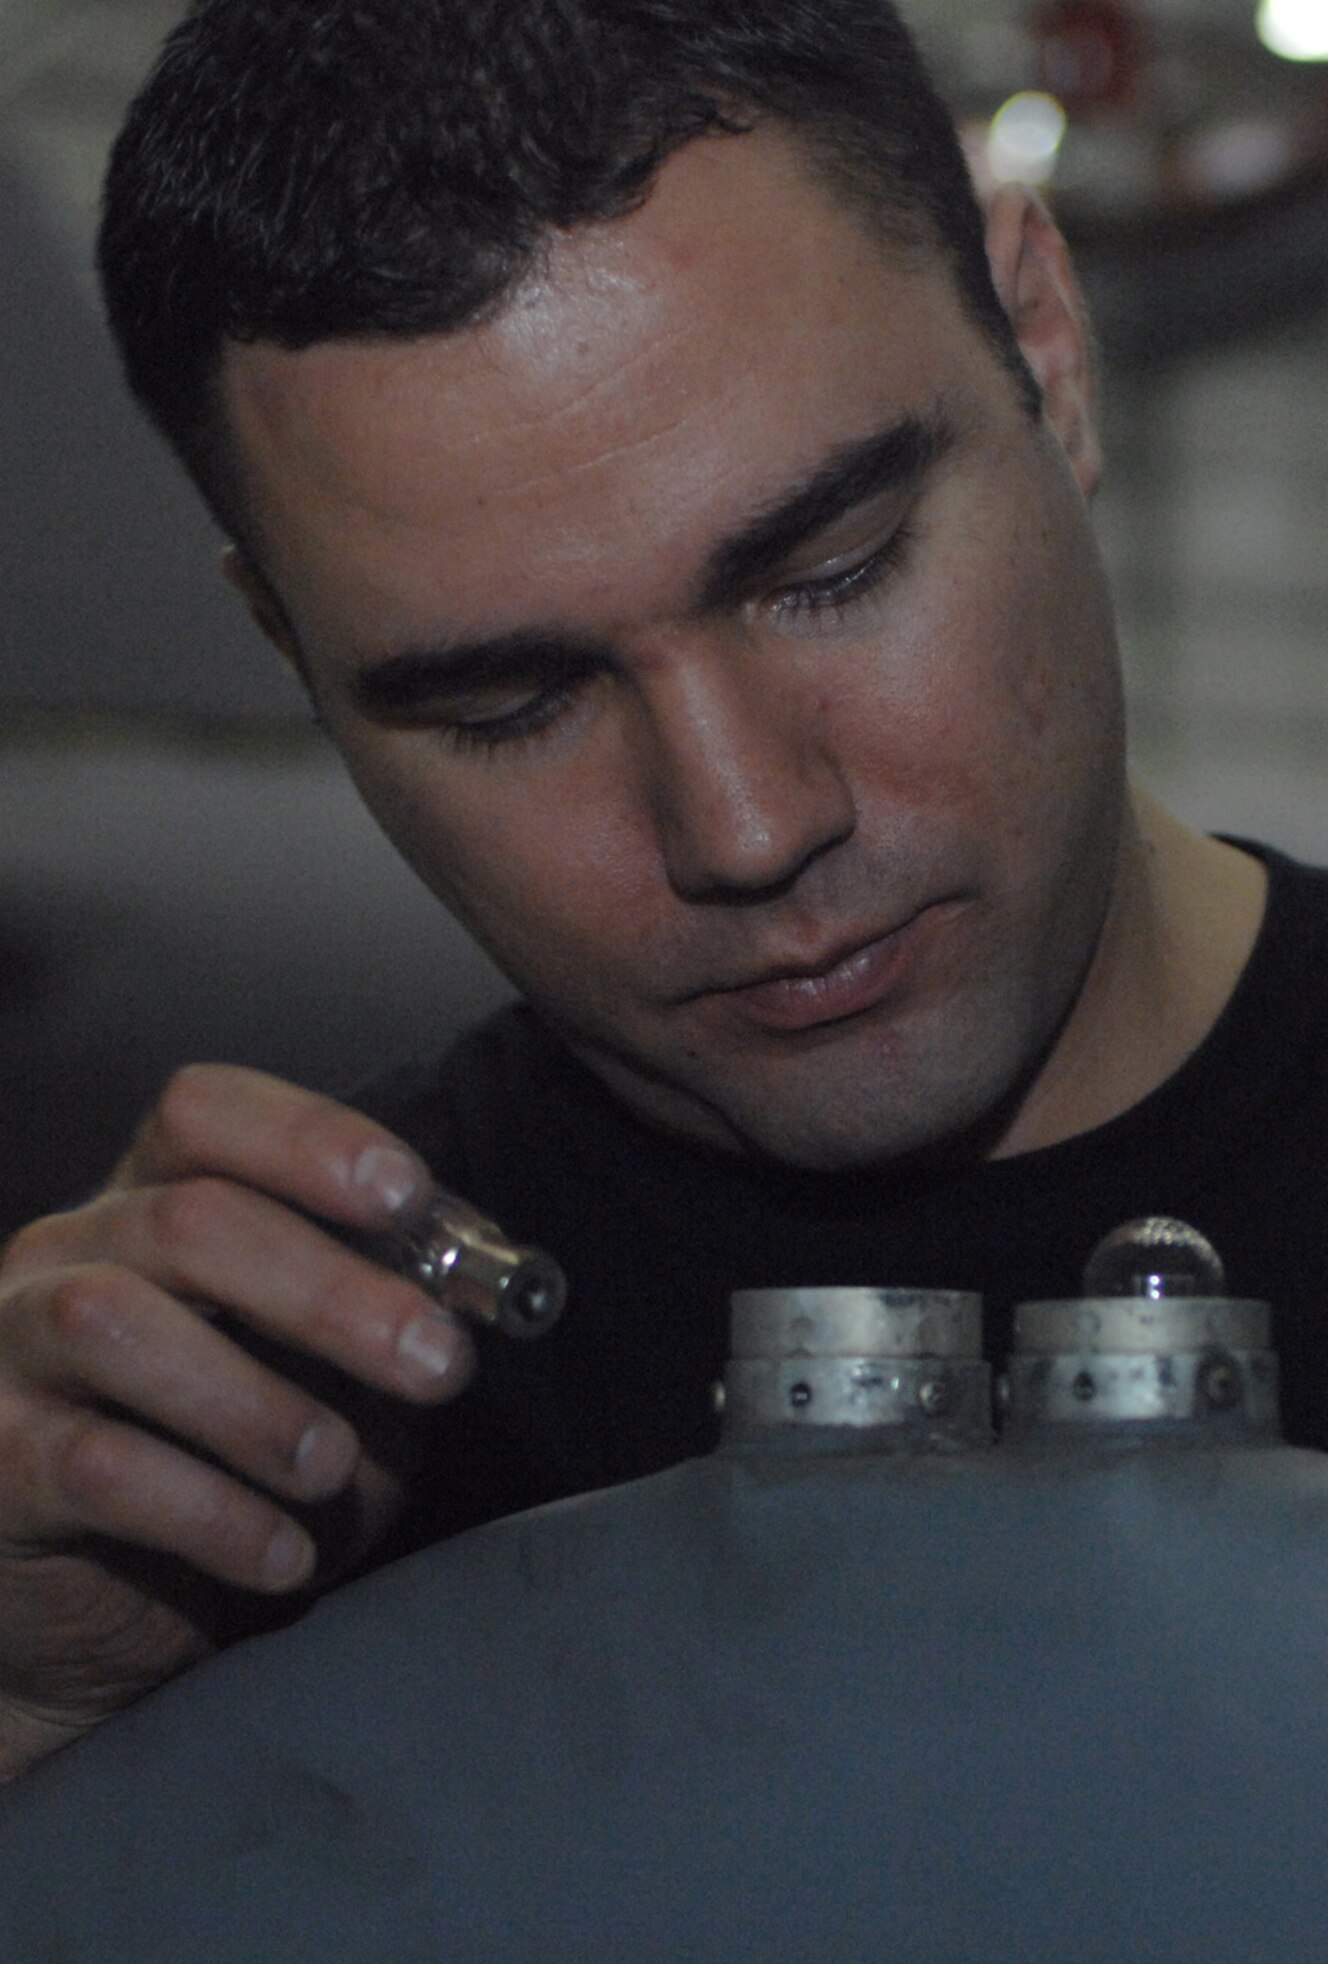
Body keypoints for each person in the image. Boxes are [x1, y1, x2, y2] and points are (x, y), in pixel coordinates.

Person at [0, 0, 1323, 1785]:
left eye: (830, 572)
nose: (746, 823)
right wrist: (41, 1730)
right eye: (510, 705)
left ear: (1044, 347)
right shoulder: (248, 1457)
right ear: (291, 653)